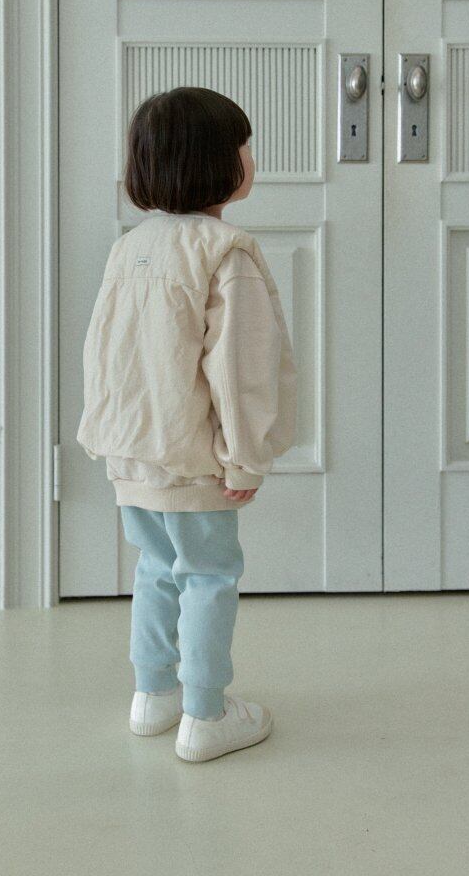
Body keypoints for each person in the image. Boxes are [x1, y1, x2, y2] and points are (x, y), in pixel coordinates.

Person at [76, 86, 298, 762]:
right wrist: (245, 456)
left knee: (155, 566)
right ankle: (206, 713)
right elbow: (240, 369)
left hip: (133, 450)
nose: (252, 158)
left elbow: (105, 350)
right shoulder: (225, 252)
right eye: (243, 146)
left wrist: (108, 435)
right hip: (193, 455)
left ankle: (153, 696)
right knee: (207, 575)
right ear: (215, 162)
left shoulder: (130, 248)